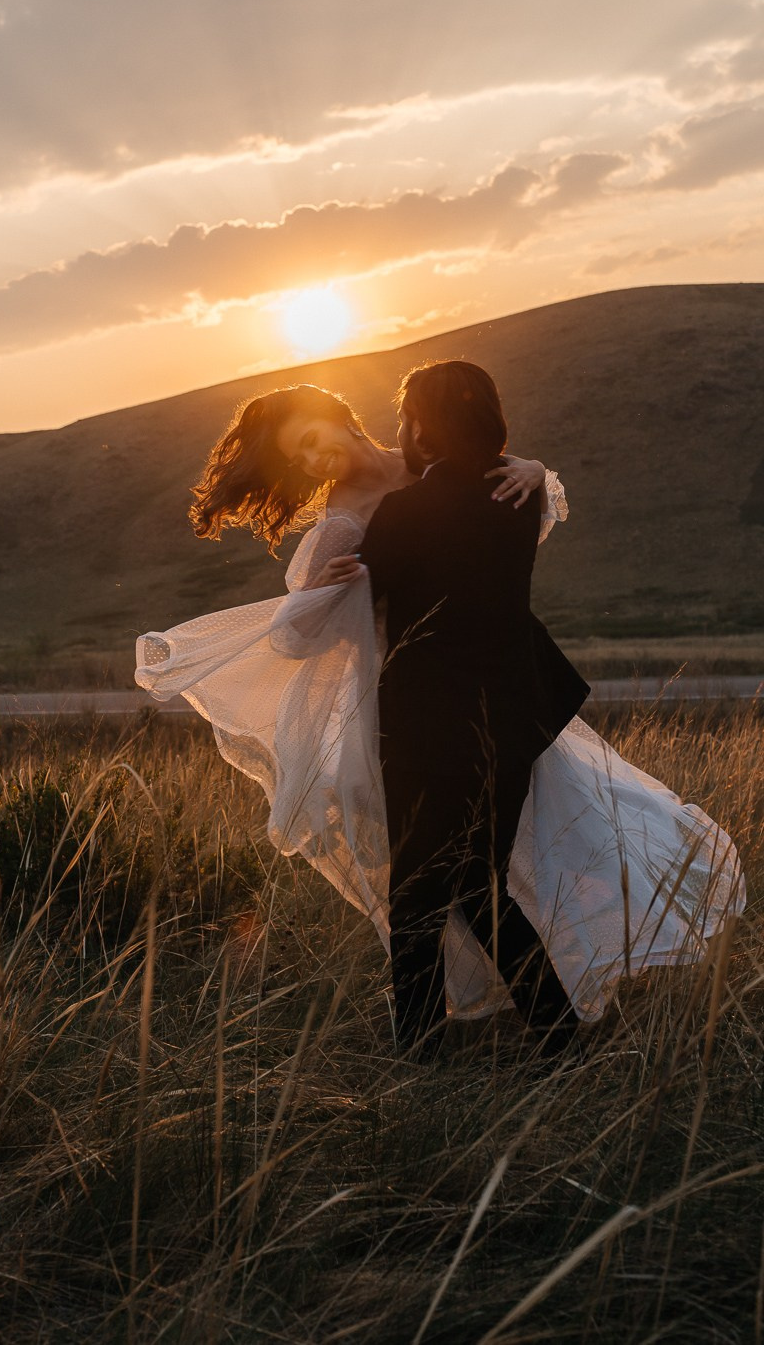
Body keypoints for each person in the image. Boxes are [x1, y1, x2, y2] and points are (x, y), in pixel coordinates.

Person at [136, 378, 743, 1041]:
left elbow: (502, 513)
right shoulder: (340, 522)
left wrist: (533, 469)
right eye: (297, 459)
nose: (312, 461)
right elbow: (296, 636)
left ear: (341, 416)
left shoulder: (427, 462)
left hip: (502, 693)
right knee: (448, 877)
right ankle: (497, 1027)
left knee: (521, 856)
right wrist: (320, 596)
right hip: (417, 710)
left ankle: (517, 1019)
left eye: (311, 440)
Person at [353, 361, 588, 1053]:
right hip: (510, 719)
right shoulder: (519, 498)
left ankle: (421, 1046)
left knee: (417, 892)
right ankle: (556, 1033)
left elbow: (354, 606)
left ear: (421, 425)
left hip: (427, 726)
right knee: (478, 883)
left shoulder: (406, 512)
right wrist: (533, 467)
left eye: (406, 418)